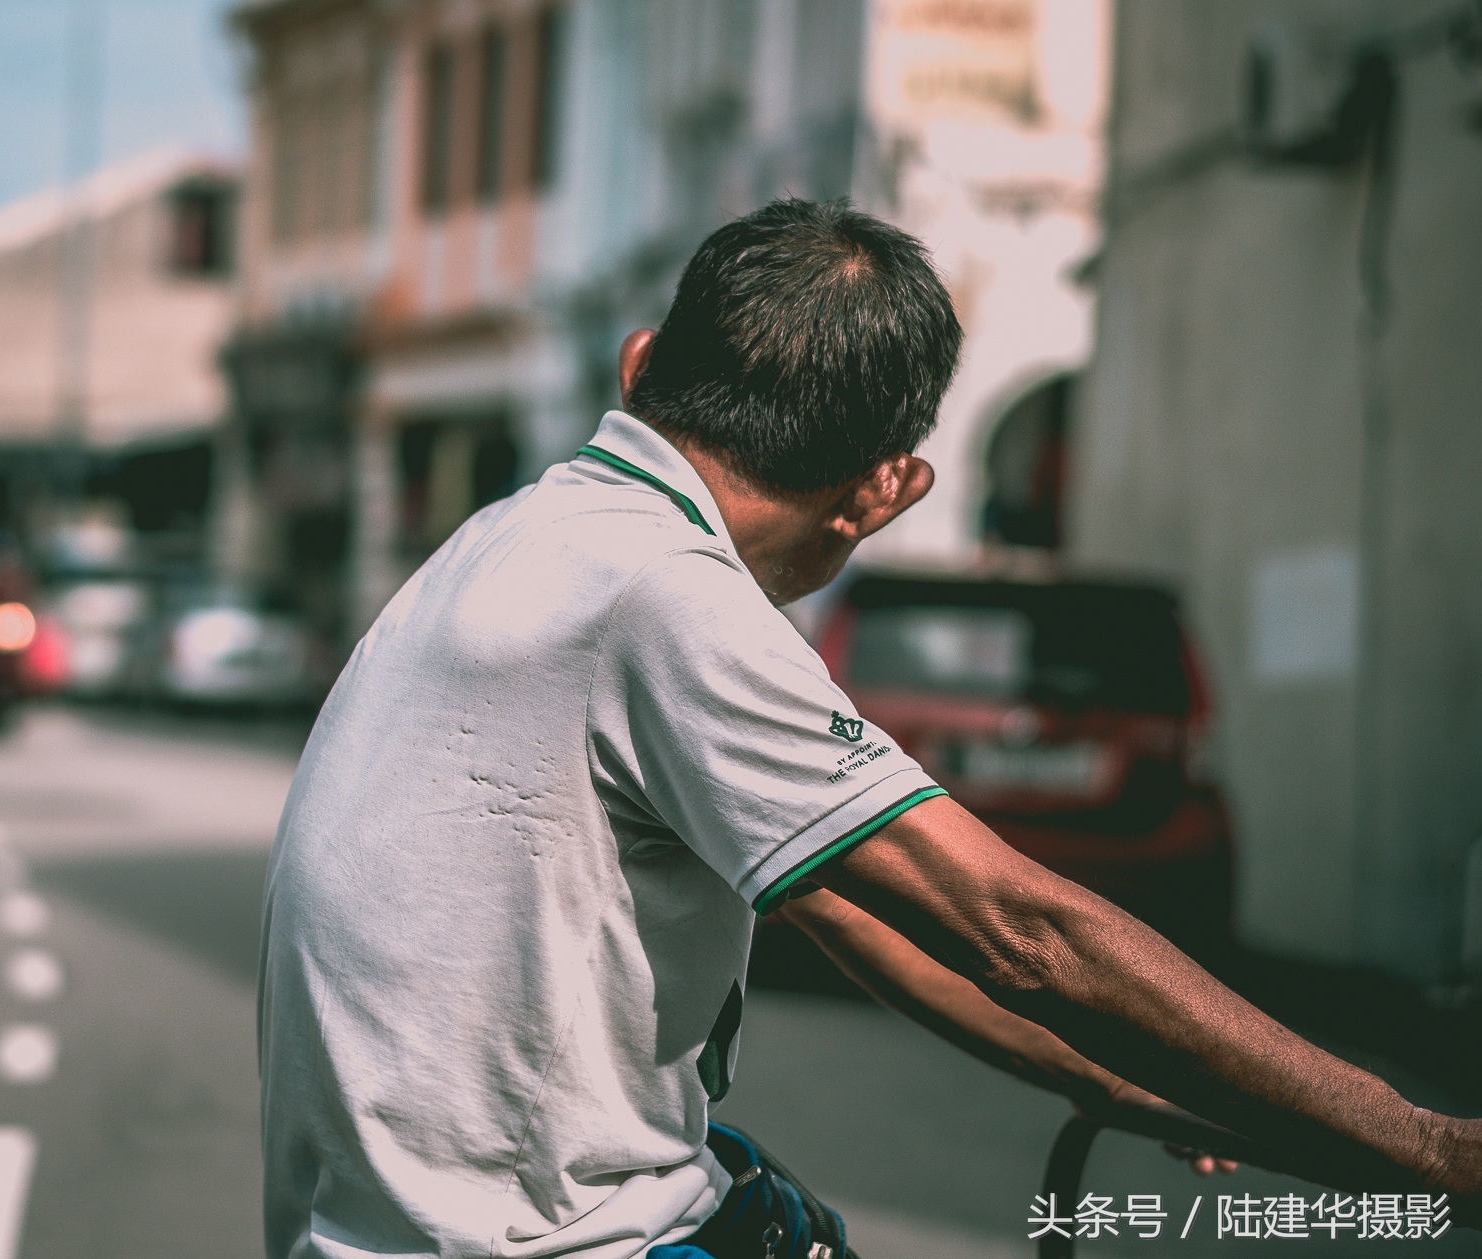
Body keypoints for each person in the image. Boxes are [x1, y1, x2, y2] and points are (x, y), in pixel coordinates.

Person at [256, 199, 1480, 1259]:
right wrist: (1426, 1144)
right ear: (878, 489)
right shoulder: (663, 592)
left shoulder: (514, 535)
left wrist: (1132, 1080)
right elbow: (1024, 931)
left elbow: (842, 904)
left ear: (637, 367)